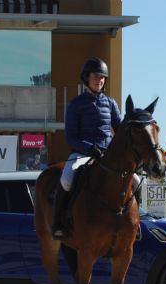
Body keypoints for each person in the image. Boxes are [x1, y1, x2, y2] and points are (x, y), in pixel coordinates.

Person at [51, 57, 123, 240]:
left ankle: (133, 223)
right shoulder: (76, 104)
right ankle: (58, 222)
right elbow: (70, 137)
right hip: (84, 153)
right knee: (67, 178)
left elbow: (120, 128)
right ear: (87, 78)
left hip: (108, 155)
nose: (99, 80)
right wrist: (89, 148)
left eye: (102, 77)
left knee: (136, 180)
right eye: (95, 76)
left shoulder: (111, 103)